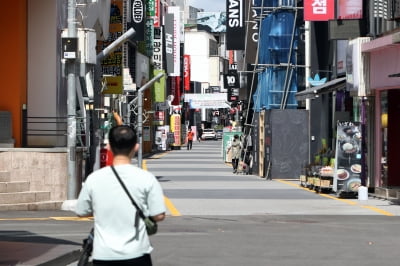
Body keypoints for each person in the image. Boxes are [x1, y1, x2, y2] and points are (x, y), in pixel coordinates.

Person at [75, 125, 166, 266]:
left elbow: (81, 211)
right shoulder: (146, 178)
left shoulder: (94, 179)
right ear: (136, 147)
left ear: (109, 147)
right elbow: (159, 215)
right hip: (137, 254)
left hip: (104, 255)